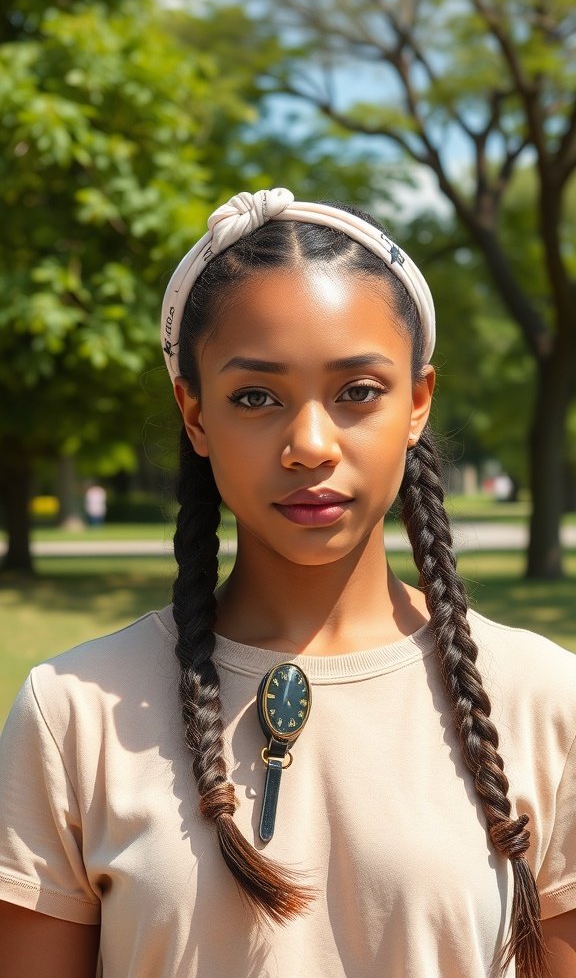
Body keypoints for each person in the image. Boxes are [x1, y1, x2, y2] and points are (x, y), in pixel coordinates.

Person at [0, 188, 575, 978]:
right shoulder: (72, 713)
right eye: (256, 397)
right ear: (194, 415)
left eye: (358, 392)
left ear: (417, 402)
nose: (310, 444)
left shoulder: (545, 700)